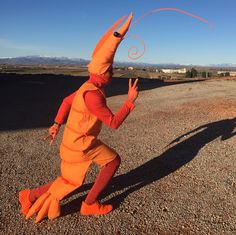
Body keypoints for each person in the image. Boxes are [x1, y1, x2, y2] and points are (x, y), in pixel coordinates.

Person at [19, 13, 138, 223]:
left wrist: (56, 124)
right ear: (104, 74)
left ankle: (30, 195)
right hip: (82, 145)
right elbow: (113, 123)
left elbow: (66, 101)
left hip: (73, 142)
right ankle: (89, 204)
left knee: (68, 179)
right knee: (112, 162)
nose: (113, 72)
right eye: (110, 70)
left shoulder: (87, 86)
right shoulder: (93, 95)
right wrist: (129, 102)